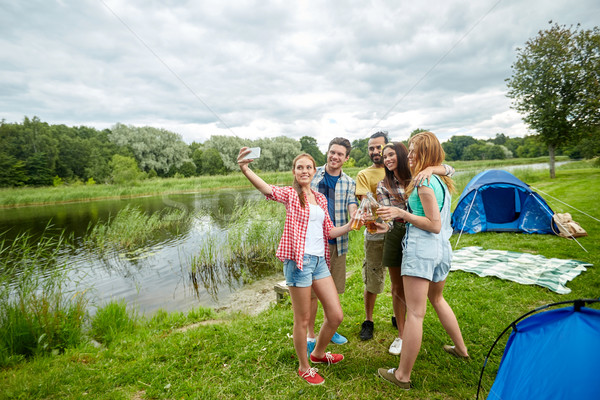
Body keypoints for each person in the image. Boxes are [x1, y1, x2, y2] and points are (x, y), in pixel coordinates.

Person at [237, 147, 355, 386]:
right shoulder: (291, 195)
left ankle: (319, 354)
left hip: (320, 262)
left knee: (335, 315)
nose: (304, 171)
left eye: (308, 167)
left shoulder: (320, 198)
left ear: (314, 172)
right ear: (294, 171)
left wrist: (351, 225)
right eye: (300, 167)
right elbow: (266, 188)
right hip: (298, 263)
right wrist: (245, 168)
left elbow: (329, 231)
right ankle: (304, 367)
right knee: (301, 320)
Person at [376, 132, 469, 390]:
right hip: (441, 251)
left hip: (423, 249)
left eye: (415, 150)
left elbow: (433, 225)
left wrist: (400, 212)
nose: (411, 154)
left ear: (426, 153)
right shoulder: (440, 178)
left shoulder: (424, 183)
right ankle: (461, 349)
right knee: (437, 299)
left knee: (416, 313)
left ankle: (402, 376)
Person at [307, 137, 358, 354]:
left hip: (337, 242)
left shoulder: (349, 182)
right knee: (310, 293)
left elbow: (352, 205)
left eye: (340, 154)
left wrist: (356, 216)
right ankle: (310, 335)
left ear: (346, 158)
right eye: (332, 152)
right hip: (311, 244)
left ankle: (330, 328)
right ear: (327, 152)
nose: (334, 157)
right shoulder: (312, 174)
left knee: (334, 290)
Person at [355, 131, 389, 341]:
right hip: (375, 231)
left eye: (379, 147)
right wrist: (385, 213)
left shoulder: (398, 168)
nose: (375, 151)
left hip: (399, 231)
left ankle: (398, 315)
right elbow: (364, 196)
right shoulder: (364, 174)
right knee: (372, 274)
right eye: (371, 148)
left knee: (400, 276)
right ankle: (368, 320)